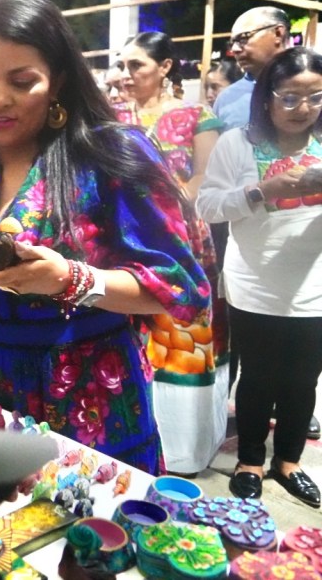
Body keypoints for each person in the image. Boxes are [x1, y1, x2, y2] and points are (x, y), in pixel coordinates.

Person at [0, 0, 210, 474]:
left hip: (90, 395)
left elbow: (182, 288)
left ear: (59, 80)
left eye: (21, 81)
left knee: (86, 517)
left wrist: (73, 279)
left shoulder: (111, 154)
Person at [197, 46, 322, 508]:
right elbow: (208, 206)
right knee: (257, 377)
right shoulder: (238, 143)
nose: (302, 108)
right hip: (254, 284)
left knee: (304, 379)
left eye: (315, 97)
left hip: (315, 287)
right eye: (289, 97)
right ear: (267, 97)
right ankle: (250, 460)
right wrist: (261, 190)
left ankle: (288, 461)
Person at [116, 31, 227, 474]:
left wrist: (161, 209)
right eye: (122, 66)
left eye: (136, 65)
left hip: (180, 239)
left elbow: (204, 177)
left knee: (182, 334)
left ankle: (182, 450)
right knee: (130, 332)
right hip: (124, 241)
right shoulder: (112, 117)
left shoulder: (196, 116)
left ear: (164, 67)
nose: (125, 74)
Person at [214, 6, 292, 132]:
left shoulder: (314, 86)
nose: (234, 49)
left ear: (278, 33)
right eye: (232, 43)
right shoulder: (227, 98)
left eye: (243, 38)